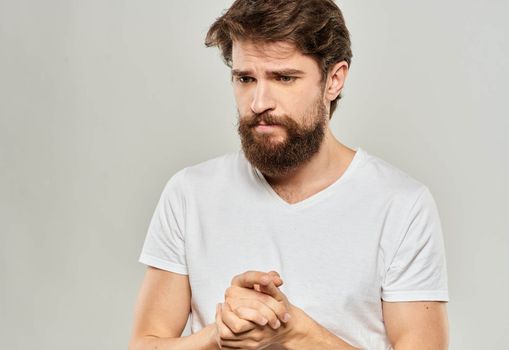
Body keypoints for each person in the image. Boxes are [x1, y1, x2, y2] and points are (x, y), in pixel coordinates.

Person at [128, 0, 450, 349]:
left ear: (334, 80)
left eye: (284, 78)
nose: (258, 102)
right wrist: (221, 334)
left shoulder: (401, 205)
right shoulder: (189, 194)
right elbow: (145, 344)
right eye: (245, 78)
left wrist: (295, 332)